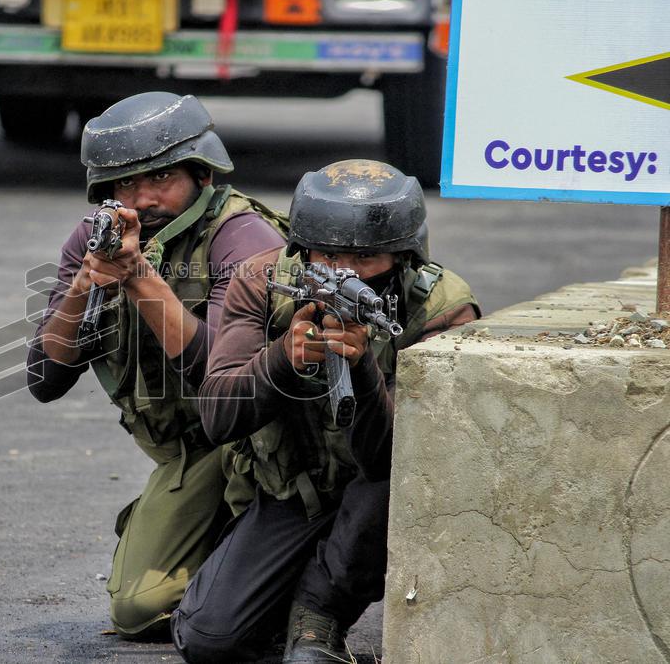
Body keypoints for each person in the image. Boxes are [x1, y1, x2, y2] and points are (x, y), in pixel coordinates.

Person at [171, 159, 480, 663]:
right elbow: (219, 415)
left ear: (403, 255)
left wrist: (360, 368)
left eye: (366, 257)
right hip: (296, 489)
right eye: (330, 255)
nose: (345, 272)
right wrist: (280, 361)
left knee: (383, 488)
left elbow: (396, 461)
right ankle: (290, 609)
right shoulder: (264, 281)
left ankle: (321, 614)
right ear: (303, 248)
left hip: (381, 497)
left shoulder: (440, 308)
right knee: (210, 640)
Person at [25, 92, 286, 640]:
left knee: (232, 620)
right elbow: (45, 380)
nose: (142, 198)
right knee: (139, 609)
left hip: (262, 443)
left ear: (200, 172)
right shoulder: (96, 239)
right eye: (125, 185)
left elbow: (223, 386)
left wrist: (139, 277)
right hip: (193, 451)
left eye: (161, 177)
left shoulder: (244, 239)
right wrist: (83, 287)